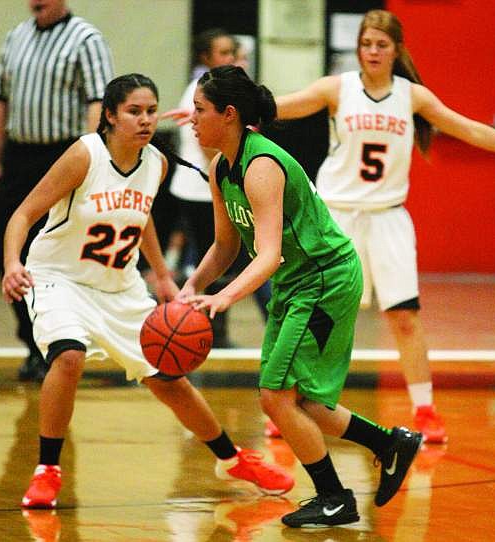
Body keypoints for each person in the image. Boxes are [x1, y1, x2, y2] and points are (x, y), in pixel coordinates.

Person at [273, 9, 495, 443]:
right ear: (358, 48)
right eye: (366, 43)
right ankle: (292, 404)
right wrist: (219, 109)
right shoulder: (337, 89)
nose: (373, 51)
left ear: (396, 50)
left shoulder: (412, 96)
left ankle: (426, 410)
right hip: (336, 217)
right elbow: (279, 106)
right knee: (320, 316)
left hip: (389, 217)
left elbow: (468, 128)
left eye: (381, 44)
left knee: (406, 318)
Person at [1, 73, 294, 510]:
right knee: (68, 356)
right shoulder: (86, 154)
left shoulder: (155, 162)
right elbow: (23, 214)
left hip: (120, 287)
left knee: (170, 380)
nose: (145, 120)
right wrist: (12, 263)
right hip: (59, 279)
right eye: (134, 111)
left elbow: (141, 219)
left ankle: (232, 460)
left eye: (151, 111)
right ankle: (48, 470)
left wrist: (161, 274)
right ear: (111, 116)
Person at [178, 65, 422, 528]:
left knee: (276, 396)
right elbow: (226, 246)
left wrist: (225, 298)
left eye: (199, 110)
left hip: (325, 277)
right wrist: (193, 286)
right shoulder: (220, 167)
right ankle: (390, 445)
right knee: (301, 401)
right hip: (298, 281)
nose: (192, 119)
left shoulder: (261, 166)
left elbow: (266, 254)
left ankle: (334, 496)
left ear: (229, 115)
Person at [0, 0, 114, 382]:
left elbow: (98, 103)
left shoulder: (86, 38)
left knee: (53, 253)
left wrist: (92, 158)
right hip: (20, 155)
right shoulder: (17, 36)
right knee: (8, 250)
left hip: (62, 155)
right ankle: (32, 343)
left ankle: (55, 345)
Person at [166, 28, 270, 345]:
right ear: (206, 57)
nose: (230, 58)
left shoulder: (262, 160)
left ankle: (214, 328)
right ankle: (211, 330)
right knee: (225, 258)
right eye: (223, 53)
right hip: (200, 190)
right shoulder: (202, 92)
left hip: (214, 189)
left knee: (238, 258)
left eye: (233, 53)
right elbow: (213, 154)